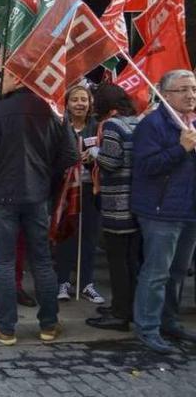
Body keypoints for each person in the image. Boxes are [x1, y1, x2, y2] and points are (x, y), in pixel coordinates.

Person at [0, 70, 77, 345]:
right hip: (37, 194)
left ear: (18, 79)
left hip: (3, 193)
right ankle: (49, 325)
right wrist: (44, 172)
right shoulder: (55, 108)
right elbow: (70, 155)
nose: (1, 81)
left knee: (5, 261)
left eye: (6, 76)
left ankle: (6, 328)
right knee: (42, 260)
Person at [130, 69, 196, 353]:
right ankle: (147, 328)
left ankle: (169, 322)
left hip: (189, 210)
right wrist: (180, 149)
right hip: (160, 211)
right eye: (182, 90)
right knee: (157, 273)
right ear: (166, 95)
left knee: (178, 272)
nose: (190, 95)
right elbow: (145, 166)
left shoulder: (193, 123)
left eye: (193, 89)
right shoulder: (152, 125)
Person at [86, 83, 141, 332]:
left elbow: (111, 160)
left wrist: (94, 153)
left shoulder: (111, 125)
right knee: (131, 259)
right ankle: (127, 306)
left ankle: (119, 313)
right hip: (135, 200)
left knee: (117, 261)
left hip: (116, 201)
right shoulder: (136, 122)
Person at [56, 85, 105, 304]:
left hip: (90, 190)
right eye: (74, 99)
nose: (79, 103)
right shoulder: (59, 126)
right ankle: (62, 281)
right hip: (65, 191)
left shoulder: (98, 127)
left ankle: (86, 282)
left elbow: (109, 152)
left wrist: (94, 155)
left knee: (89, 238)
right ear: (67, 104)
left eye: (83, 99)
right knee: (66, 237)